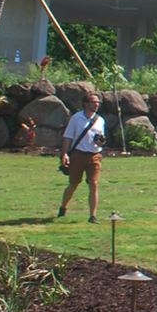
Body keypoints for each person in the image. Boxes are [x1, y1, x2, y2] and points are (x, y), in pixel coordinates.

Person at [58, 92, 108, 222]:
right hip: (78, 154)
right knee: (74, 184)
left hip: (95, 155)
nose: (96, 105)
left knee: (94, 183)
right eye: (93, 102)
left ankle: (93, 215)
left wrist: (101, 142)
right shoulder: (76, 118)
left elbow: (100, 138)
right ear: (86, 104)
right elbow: (68, 137)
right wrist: (64, 154)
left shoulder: (100, 120)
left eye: (98, 102)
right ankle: (63, 207)